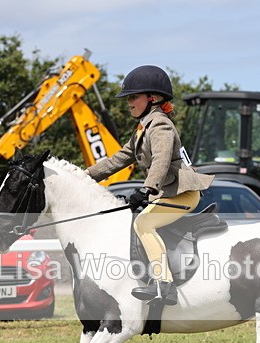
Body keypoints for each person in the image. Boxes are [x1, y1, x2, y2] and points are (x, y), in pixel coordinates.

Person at [85, 65, 214, 306]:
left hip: (181, 194)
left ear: (152, 98)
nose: (129, 102)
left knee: (144, 223)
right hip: (166, 193)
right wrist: (83, 176)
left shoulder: (161, 125)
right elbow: (117, 160)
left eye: (133, 97)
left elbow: (161, 160)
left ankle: (164, 285)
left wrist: (147, 188)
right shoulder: (143, 128)